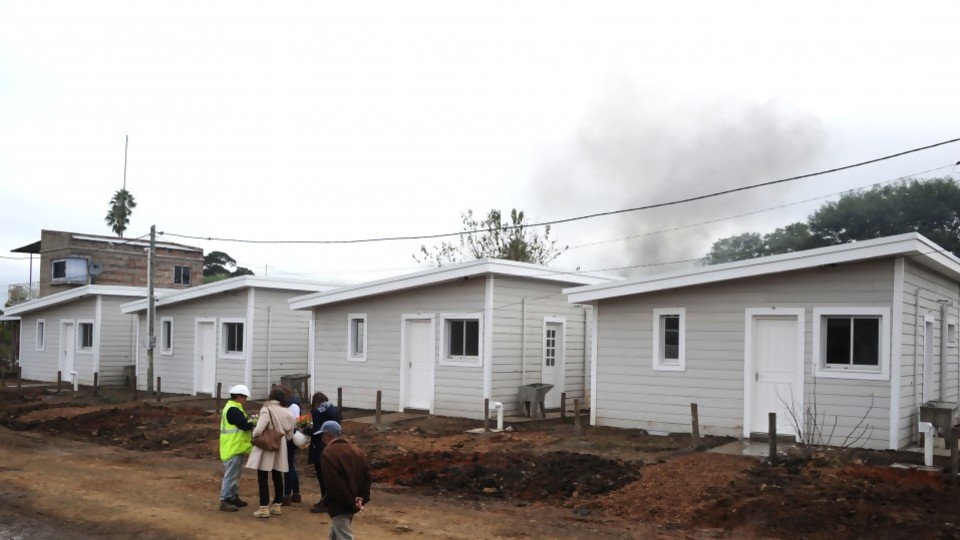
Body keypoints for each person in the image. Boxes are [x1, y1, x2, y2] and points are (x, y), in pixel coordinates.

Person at [245, 387, 296, 518]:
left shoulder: (266, 409)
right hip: (281, 444)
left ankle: (263, 507)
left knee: (262, 476)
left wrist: (254, 435)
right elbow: (290, 432)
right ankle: (277, 505)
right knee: (277, 475)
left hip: (267, 445)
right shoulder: (287, 411)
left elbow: (259, 428)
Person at [319, 421, 370, 540]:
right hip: (352, 501)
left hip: (340, 503)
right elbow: (366, 476)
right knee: (337, 532)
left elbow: (334, 483)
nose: (322, 438)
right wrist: (361, 498)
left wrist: (350, 502)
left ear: (328, 434)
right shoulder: (357, 451)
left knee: (344, 535)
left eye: (323, 435)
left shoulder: (328, 453)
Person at [219, 384, 254, 512]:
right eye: (244, 398)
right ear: (239, 397)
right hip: (232, 447)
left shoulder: (233, 408)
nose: (245, 400)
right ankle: (225, 499)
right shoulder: (233, 409)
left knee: (235, 474)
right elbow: (245, 425)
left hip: (234, 447)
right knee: (231, 475)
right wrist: (255, 422)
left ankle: (233, 497)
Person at [306, 391, 341, 513]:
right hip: (333, 445)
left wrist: (305, 430)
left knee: (322, 476)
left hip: (319, 446)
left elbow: (316, 430)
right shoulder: (333, 410)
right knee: (329, 475)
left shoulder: (318, 412)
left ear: (316, 402)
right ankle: (330, 501)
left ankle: (325, 502)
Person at [282, 392, 302, 506]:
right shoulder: (293, 405)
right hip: (292, 437)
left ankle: (287, 494)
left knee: (288, 465)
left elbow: (292, 423)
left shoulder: (292, 406)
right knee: (290, 465)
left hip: (289, 438)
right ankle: (295, 493)